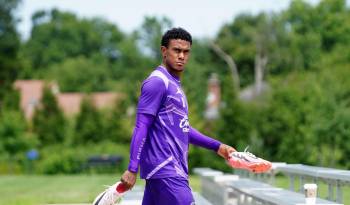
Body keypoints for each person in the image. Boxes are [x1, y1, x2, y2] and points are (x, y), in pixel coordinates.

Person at [95, 27, 270, 205]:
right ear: (164, 51)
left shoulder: (174, 85)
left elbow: (183, 129)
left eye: (186, 52)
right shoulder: (157, 82)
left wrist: (218, 147)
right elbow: (142, 126)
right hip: (167, 171)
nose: (181, 56)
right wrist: (132, 168)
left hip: (164, 173)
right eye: (176, 50)